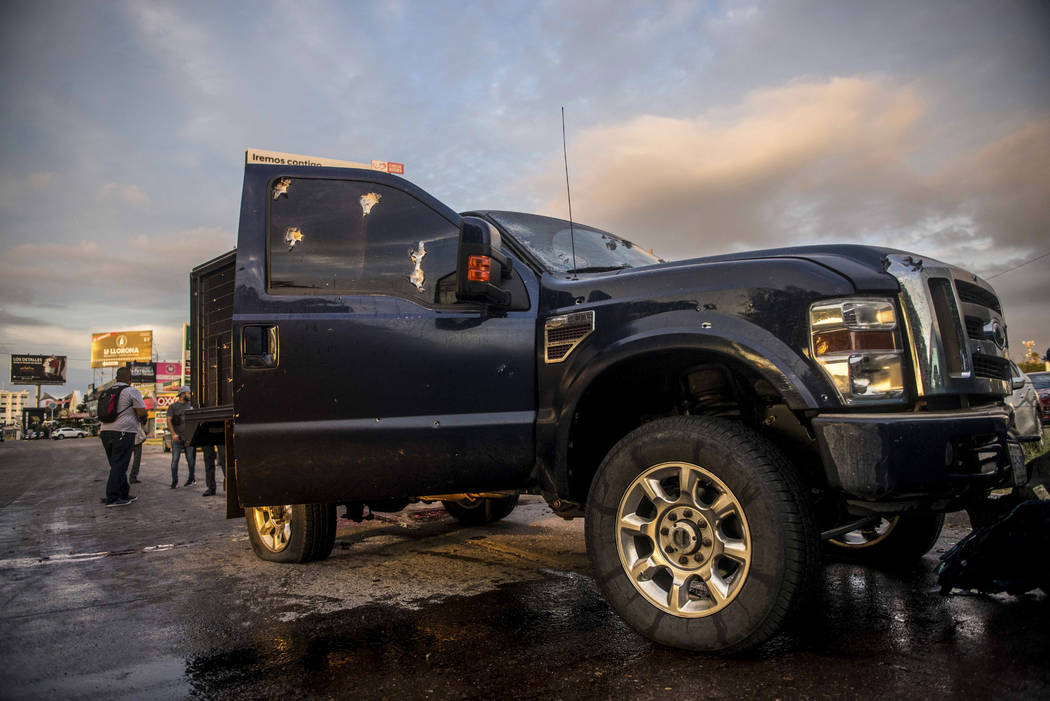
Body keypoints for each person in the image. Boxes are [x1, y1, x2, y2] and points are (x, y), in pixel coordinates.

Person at [99, 367, 147, 507]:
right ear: (129, 378)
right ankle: (112, 497)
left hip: (105, 432)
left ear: (116, 378)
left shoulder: (106, 391)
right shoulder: (131, 391)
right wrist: (142, 420)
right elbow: (142, 412)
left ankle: (123, 493)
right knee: (120, 465)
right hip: (124, 432)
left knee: (116, 465)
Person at [167, 386, 197, 488]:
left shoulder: (191, 406)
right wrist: (173, 434)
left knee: (190, 460)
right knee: (175, 460)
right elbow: (169, 420)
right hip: (177, 437)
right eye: (188, 393)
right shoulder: (173, 407)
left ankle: (191, 479)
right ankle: (174, 481)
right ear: (182, 394)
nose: (190, 395)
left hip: (189, 437)